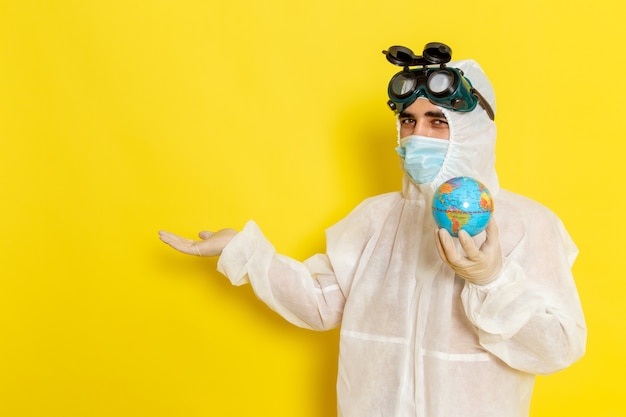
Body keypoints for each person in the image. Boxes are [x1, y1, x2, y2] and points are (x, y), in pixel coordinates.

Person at [159, 42, 586, 417]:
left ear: (473, 130)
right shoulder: (376, 219)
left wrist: (492, 283)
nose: (417, 134)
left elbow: (557, 348)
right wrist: (243, 250)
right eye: (408, 121)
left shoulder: (526, 224)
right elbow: (322, 303)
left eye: (438, 121)